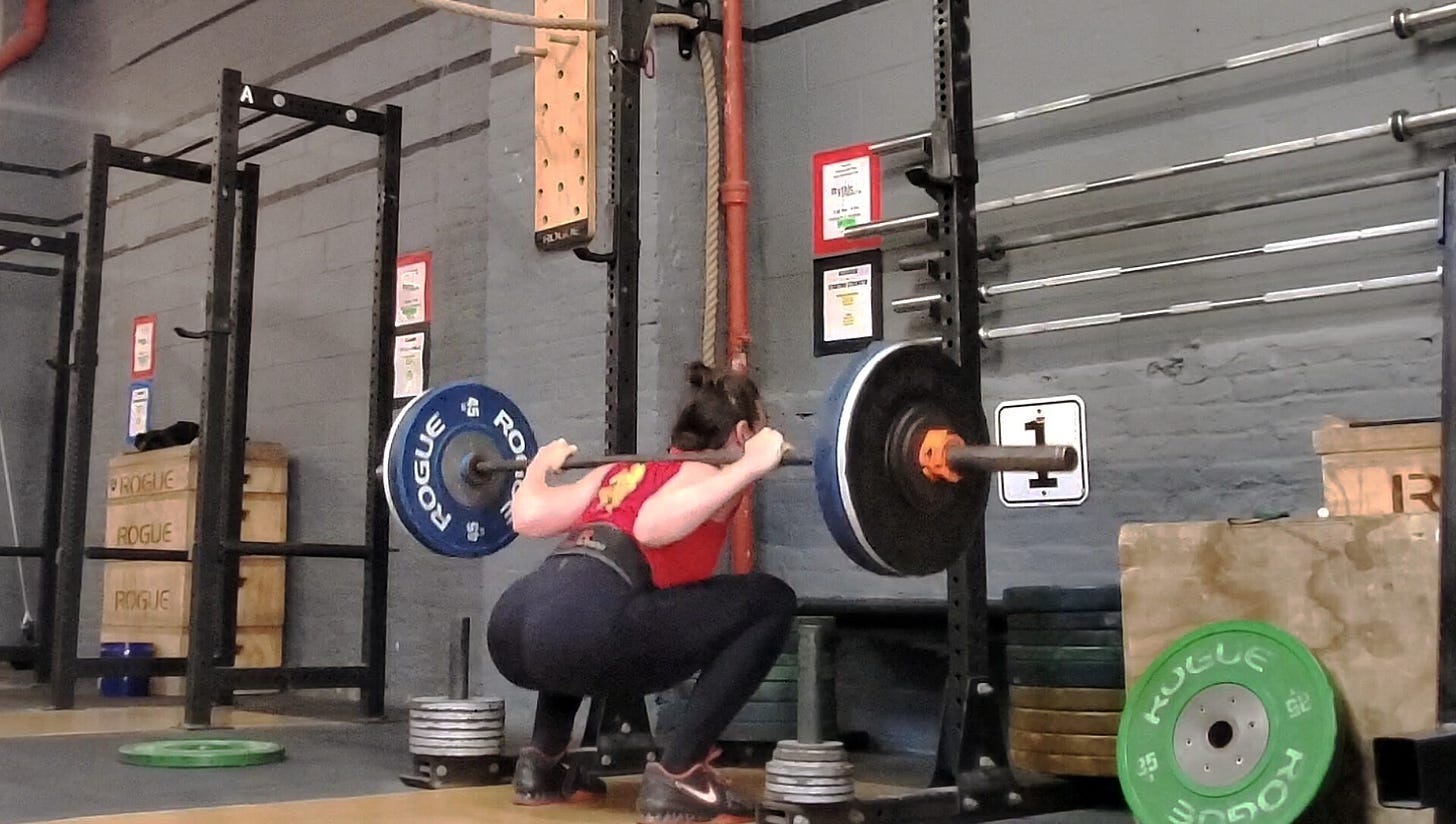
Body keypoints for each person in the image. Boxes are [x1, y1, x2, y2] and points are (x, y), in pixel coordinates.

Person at [486, 362, 799, 824]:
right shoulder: (702, 478)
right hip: (585, 631)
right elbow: (654, 526)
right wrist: (751, 464)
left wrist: (537, 471)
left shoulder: (621, 472)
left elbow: (526, 515)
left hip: (513, 629)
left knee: (580, 605)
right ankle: (681, 775)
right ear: (740, 432)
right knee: (771, 601)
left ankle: (543, 765)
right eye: (762, 425)